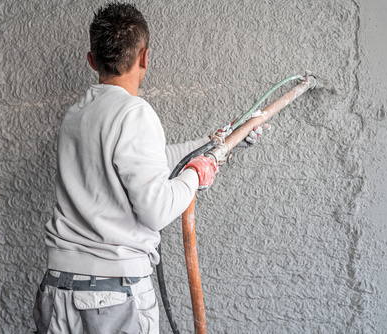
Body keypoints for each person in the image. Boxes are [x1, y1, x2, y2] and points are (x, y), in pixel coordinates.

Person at [33, 2, 263, 333]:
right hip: (110, 294)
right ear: (145, 58)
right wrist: (196, 174)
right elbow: (155, 210)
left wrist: (217, 144)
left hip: (57, 290)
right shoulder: (134, 113)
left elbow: (141, 162)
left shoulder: (77, 115)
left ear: (92, 60)